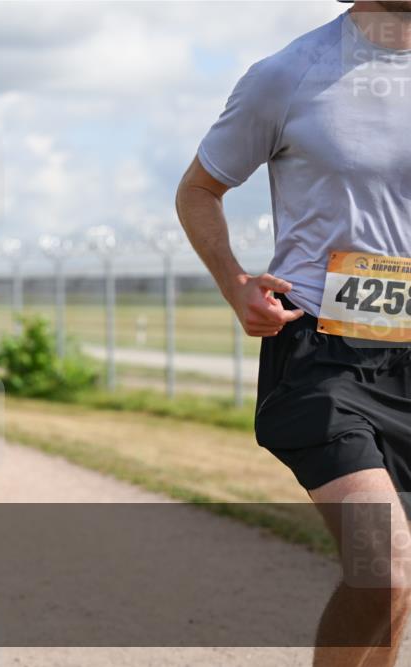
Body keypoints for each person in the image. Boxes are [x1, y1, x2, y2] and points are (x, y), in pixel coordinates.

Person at [176, 3, 410, 665]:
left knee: (397, 588)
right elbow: (198, 189)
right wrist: (235, 285)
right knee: (384, 568)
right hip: (322, 353)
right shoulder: (289, 74)